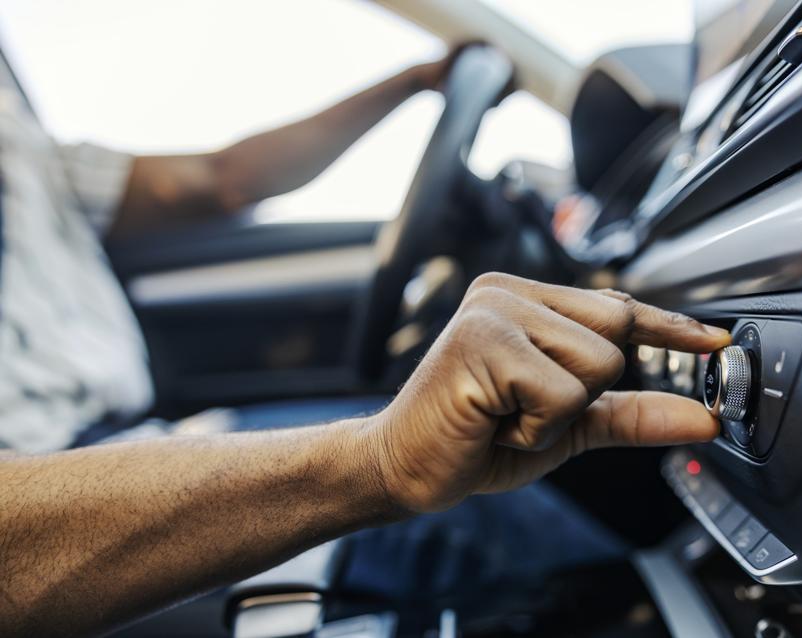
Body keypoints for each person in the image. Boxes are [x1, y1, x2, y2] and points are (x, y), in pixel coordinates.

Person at [0, 43, 732, 636]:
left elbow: (217, 180)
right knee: (479, 514)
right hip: (56, 496)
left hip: (134, 437)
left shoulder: (16, 135)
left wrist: (414, 81)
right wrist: (378, 464)